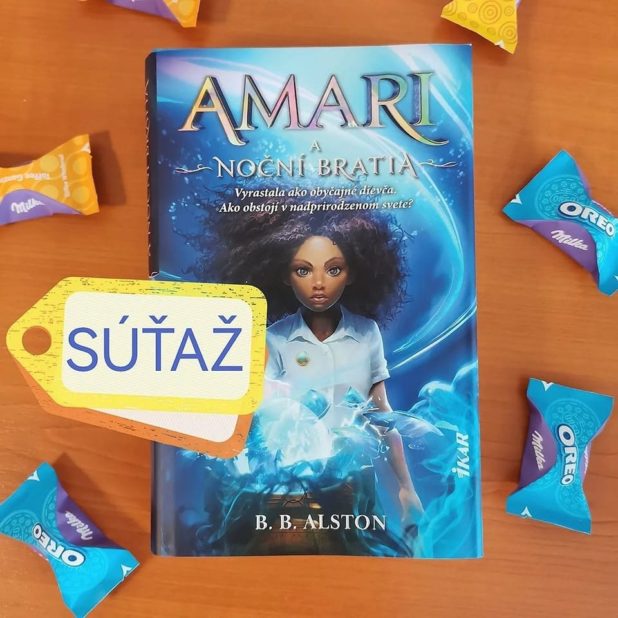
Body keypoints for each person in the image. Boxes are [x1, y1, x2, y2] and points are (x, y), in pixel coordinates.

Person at [193, 207, 423, 551]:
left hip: (355, 486)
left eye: (333, 269)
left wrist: (406, 489)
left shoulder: (366, 333)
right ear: (284, 275)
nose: (318, 283)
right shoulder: (274, 339)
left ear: (352, 273)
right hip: (291, 488)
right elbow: (263, 422)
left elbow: (382, 416)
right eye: (303, 270)